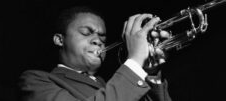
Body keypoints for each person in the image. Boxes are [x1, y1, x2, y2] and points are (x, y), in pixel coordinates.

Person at [19, 6, 171, 101]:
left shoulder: (111, 83)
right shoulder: (35, 81)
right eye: (86, 33)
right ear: (59, 40)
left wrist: (150, 73)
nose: (98, 41)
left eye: (102, 38)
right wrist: (135, 62)